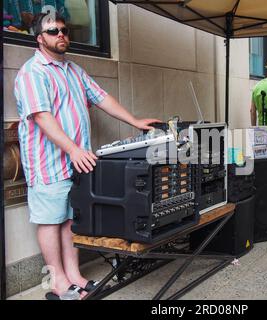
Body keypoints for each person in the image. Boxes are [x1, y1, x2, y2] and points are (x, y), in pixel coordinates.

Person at [14, 13, 161, 300]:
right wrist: (72, 149)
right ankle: (56, 282)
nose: (60, 35)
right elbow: (42, 117)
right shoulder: (33, 72)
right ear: (39, 38)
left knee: (72, 219)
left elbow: (101, 97)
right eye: (52, 31)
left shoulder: (73, 70)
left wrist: (134, 121)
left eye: (64, 30)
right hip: (49, 162)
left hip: (77, 162)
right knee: (51, 221)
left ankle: (75, 276)